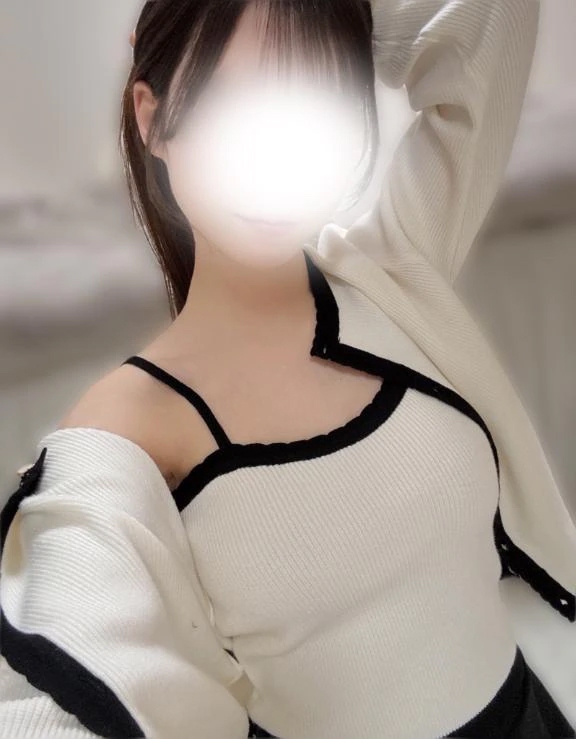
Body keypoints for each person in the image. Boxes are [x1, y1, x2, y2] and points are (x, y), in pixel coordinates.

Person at [1, 0, 575, 737]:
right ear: (153, 117)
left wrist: (334, 17)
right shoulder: (129, 424)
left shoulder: (392, 271)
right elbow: (64, 661)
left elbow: (489, 18)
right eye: (232, 101)